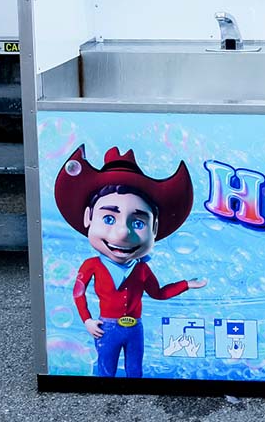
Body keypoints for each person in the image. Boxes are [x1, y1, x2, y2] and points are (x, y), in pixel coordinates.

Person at [54, 145, 207, 377]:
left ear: (154, 227)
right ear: (88, 217)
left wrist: (186, 284)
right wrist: (87, 320)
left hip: (135, 328)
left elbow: (158, 293)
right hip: (106, 328)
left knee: (136, 372)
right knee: (105, 370)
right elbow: (78, 293)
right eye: (108, 218)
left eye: (138, 223)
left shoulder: (142, 268)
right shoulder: (91, 265)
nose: (123, 234)